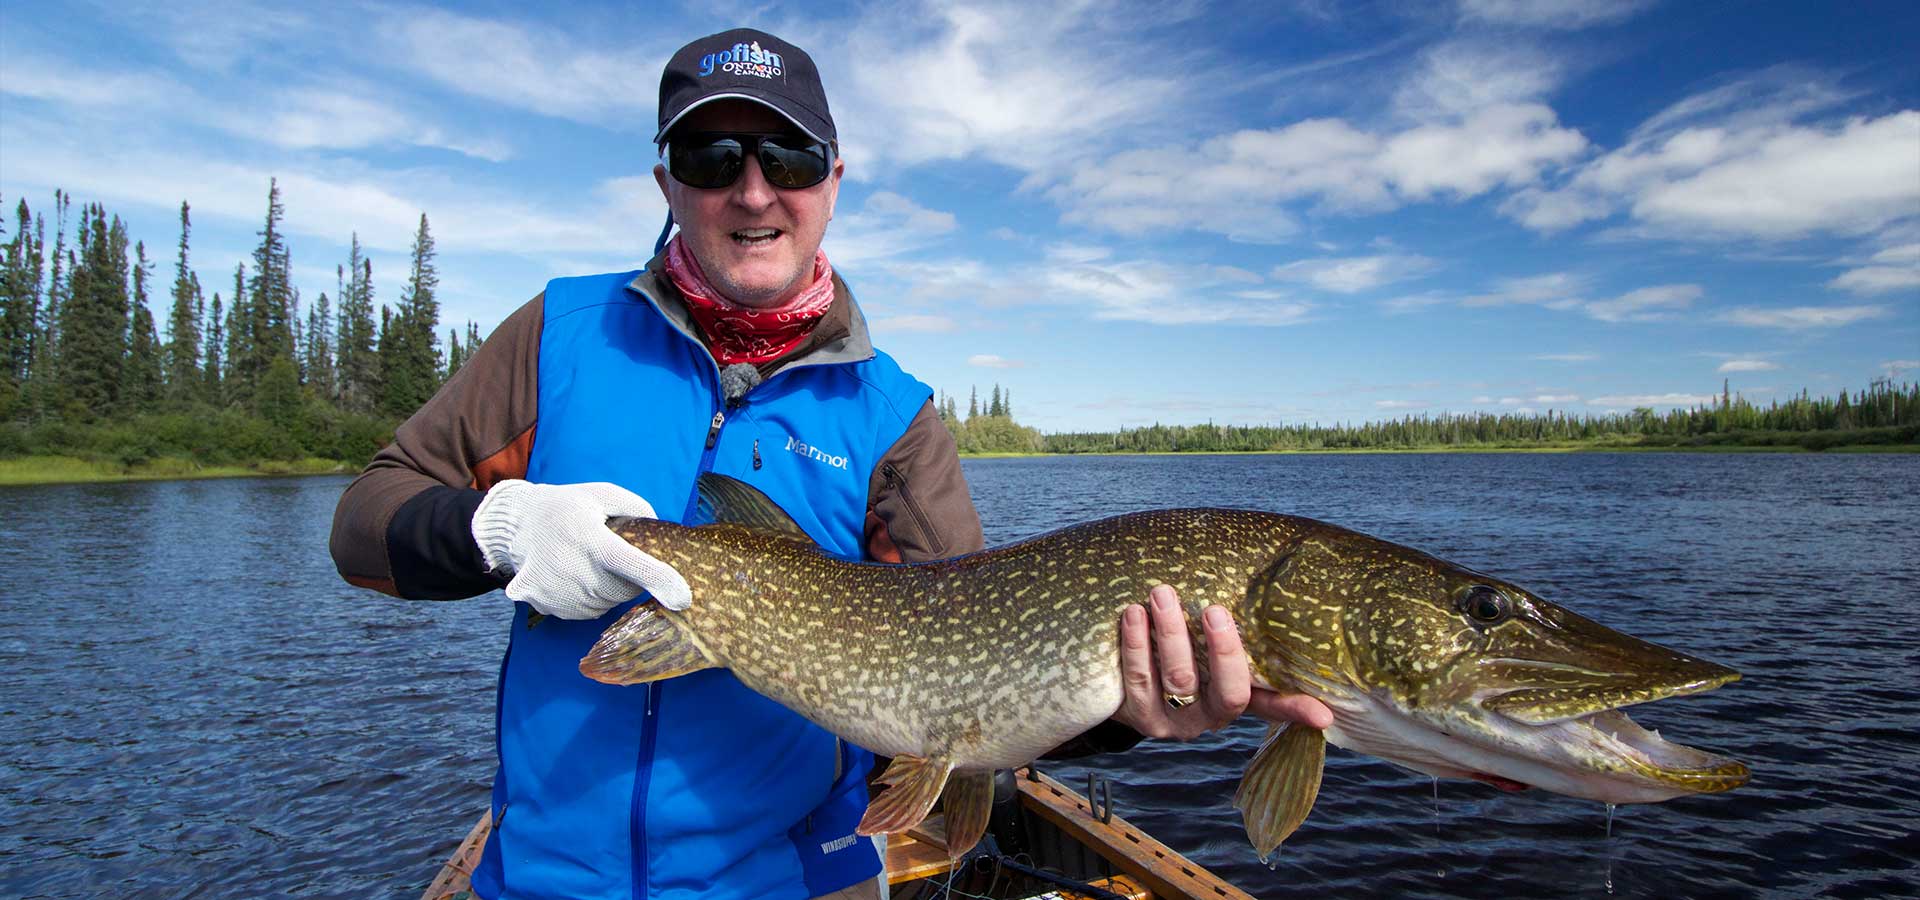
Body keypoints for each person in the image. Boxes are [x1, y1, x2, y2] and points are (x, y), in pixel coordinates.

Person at [329, 27, 1330, 900]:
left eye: (790, 156)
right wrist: (500, 529)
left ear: (833, 181)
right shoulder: (558, 336)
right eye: (712, 154)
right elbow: (365, 523)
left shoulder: (894, 418)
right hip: (547, 883)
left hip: (799, 885)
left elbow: (975, 689)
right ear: (668, 182)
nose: (754, 189)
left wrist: (1124, 715)